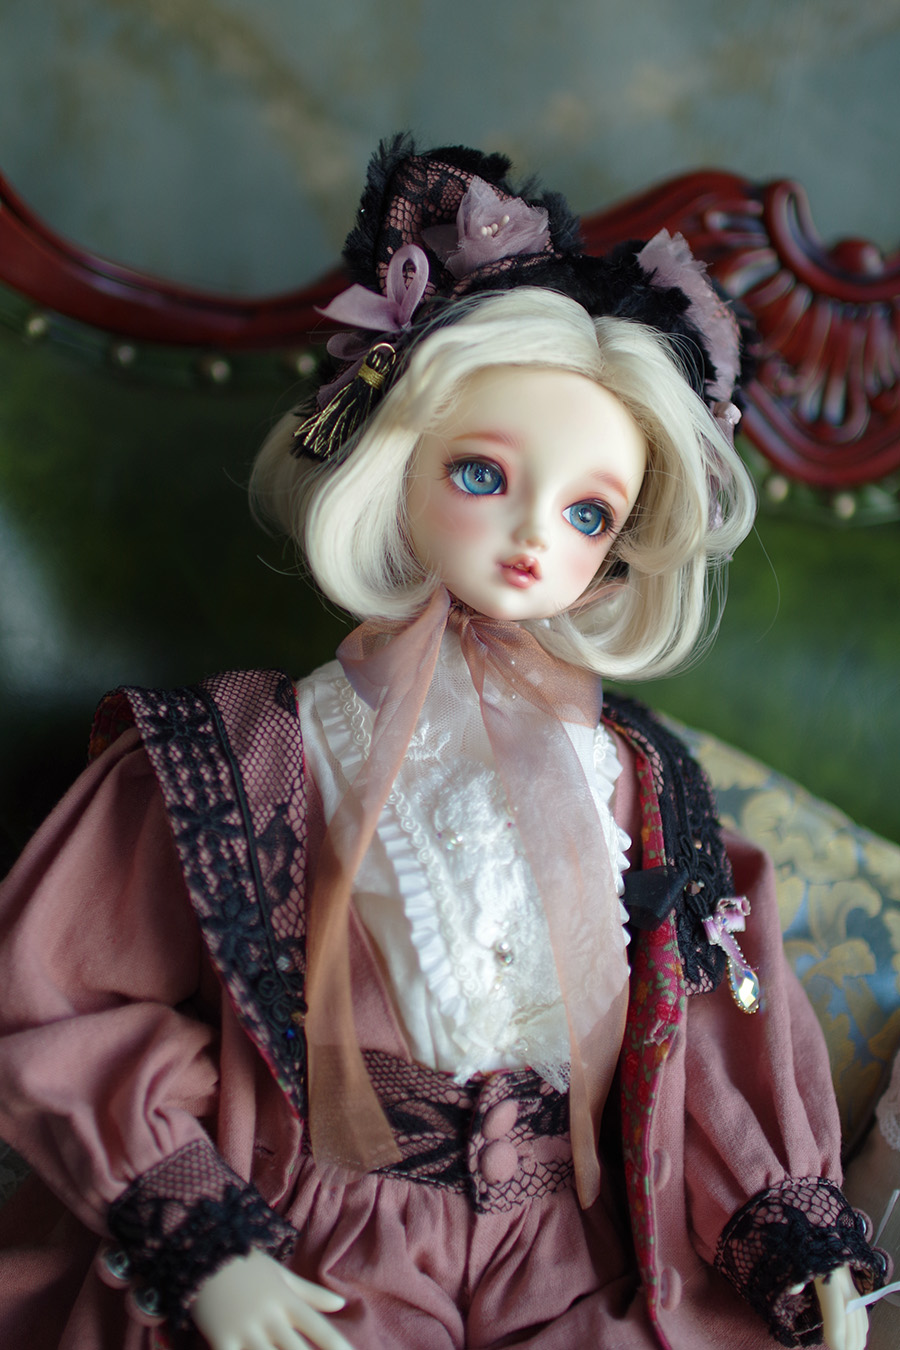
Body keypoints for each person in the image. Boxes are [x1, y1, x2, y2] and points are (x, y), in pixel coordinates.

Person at [0, 137, 887, 1350]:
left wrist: (791, 1229)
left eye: (588, 512)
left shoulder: (639, 779)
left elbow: (719, 1034)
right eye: (483, 473)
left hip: (575, 1245)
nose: (534, 537)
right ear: (396, 459)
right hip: (327, 1227)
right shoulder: (249, 754)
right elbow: (65, 994)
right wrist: (205, 1238)